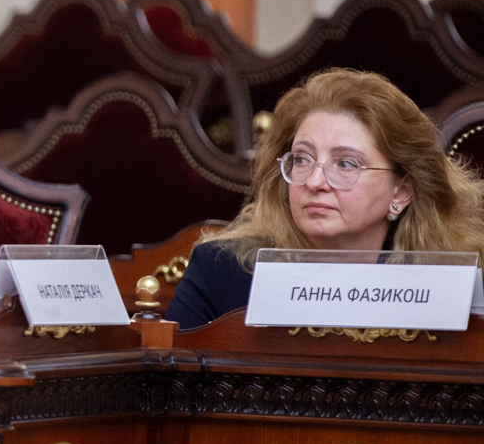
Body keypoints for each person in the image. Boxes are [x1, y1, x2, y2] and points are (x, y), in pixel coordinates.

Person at [166, 69, 484, 328]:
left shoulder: (448, 290)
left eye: (346, 164)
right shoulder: (221, 272)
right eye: (302, 159)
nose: (315, 182)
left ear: (401, 191)